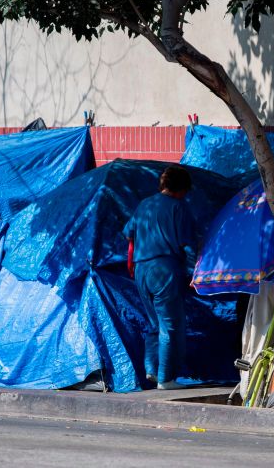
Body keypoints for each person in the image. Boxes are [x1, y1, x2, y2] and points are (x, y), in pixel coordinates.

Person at [123, 165, 197, 390]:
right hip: (164, 269)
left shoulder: (144, 204)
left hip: (141, 270)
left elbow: (129, 234)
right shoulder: (179, 207)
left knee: (154, 324)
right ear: (183, 188)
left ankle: (152, 370)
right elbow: (188, 245)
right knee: (170, 326)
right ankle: (166, 379)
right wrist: (195, 273)